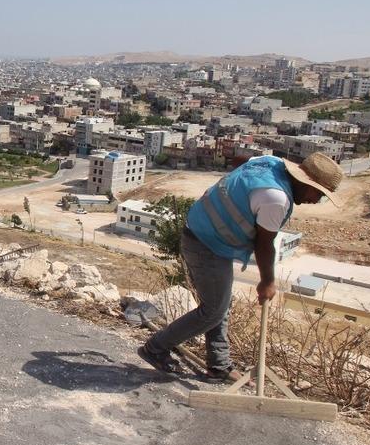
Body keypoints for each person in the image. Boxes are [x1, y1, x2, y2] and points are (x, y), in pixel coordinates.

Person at [138, 153, 343, 379]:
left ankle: (219, 365)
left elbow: (239, 159)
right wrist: (267, 282)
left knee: (218, 305)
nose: (317, 201)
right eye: (319, 194)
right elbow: (264, 245)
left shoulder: (268, 162)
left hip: (203, 231)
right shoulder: (276, 199)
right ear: (305, 183)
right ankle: (155, 348)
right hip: (206, 243)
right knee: (214, 310)